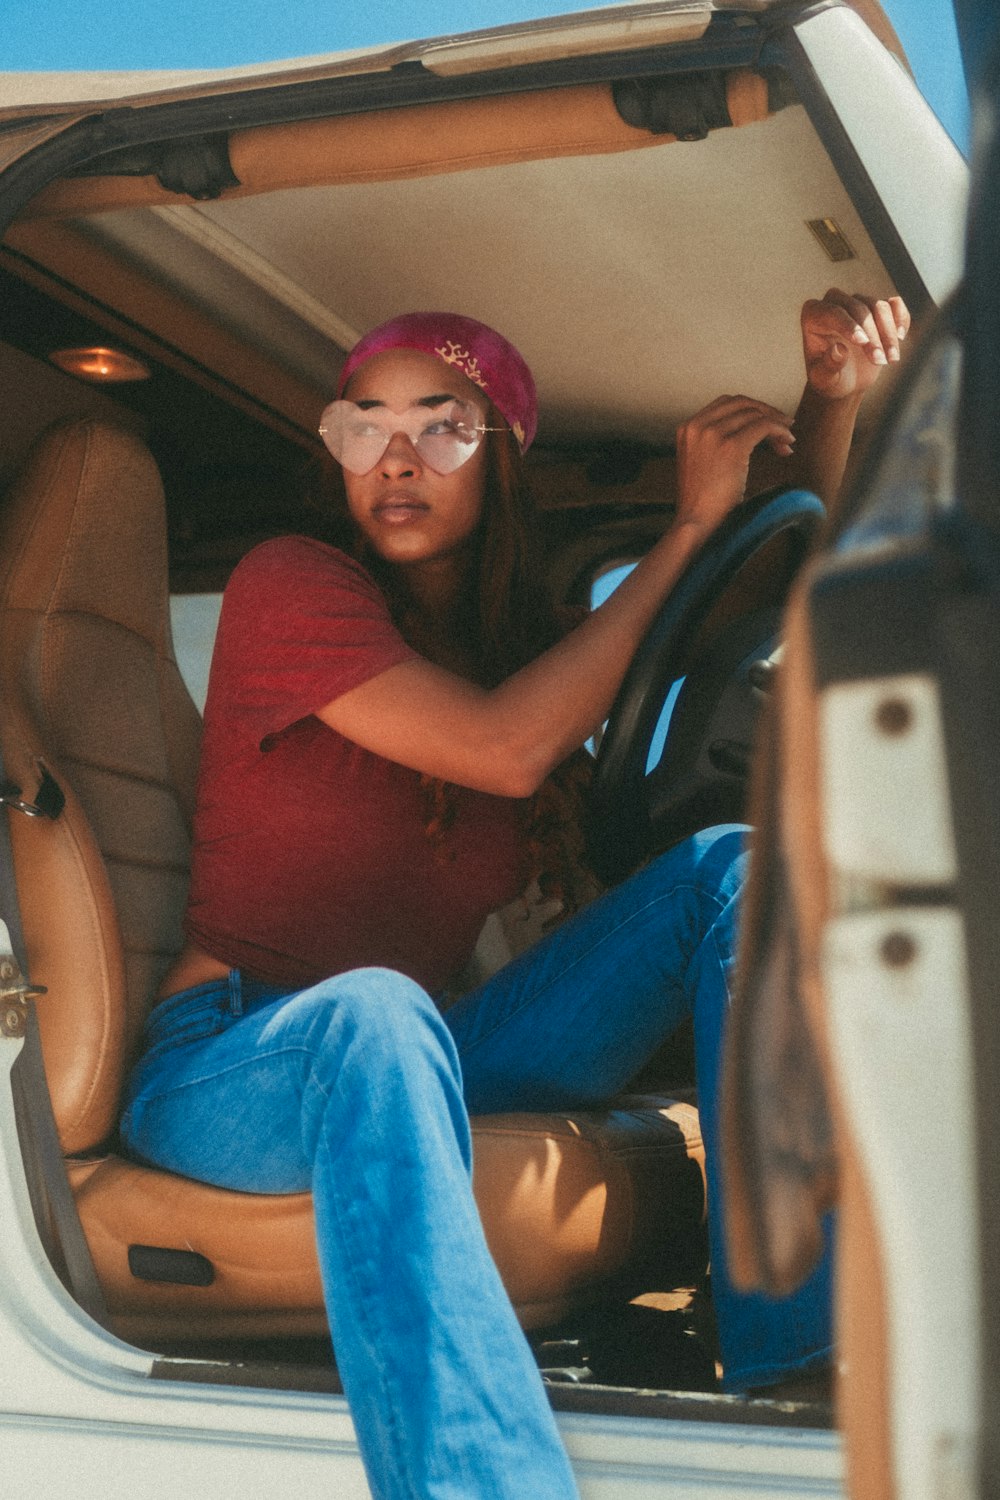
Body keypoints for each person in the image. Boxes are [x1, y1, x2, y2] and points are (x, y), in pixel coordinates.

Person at [120, 288, 909, 1500]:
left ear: (501, 463)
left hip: (431, 1044)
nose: (394, 458)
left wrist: (829, 401)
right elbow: (503, 750)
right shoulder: (289, 585)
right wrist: (685, 529)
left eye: (439, 428)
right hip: (239, 1055)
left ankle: (801, 1367)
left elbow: (741, 614)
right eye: (361, 425)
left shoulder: (516, 649)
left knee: (732, 878)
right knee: (375, 1010)